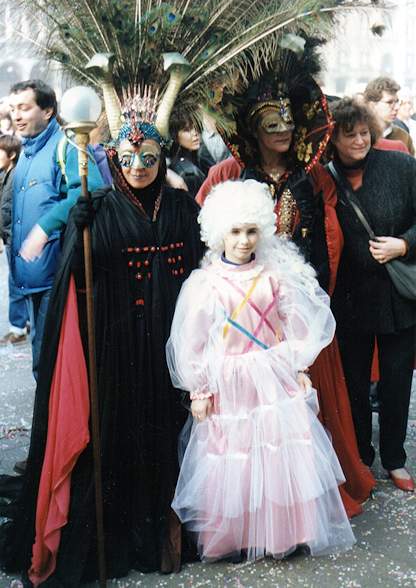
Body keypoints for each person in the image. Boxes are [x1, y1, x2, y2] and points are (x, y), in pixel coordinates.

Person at [0, 86, 204, 586]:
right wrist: (76, 231)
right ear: (114, 158)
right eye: (129, 157)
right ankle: (120, 534)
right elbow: (77, 282)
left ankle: (167, 530)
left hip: (171, 348)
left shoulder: (180, 208)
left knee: (168, 431)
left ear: (162, 157)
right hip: (115, 347)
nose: (139, 166)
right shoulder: (99, 207)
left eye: (150, 156)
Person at [196, 52, 376, 517]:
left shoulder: (311, 177)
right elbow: (210, 232)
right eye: (271, 125)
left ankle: (312, 494)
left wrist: (316, 297)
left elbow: (328, 238)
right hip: (246, 313)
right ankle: (263, 502)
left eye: (288, 123)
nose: (283, 131)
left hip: (297, 309)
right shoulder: (231, 174)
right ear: (254, 130)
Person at [167, 179, 355, 561]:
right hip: (230, 382)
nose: (243, 240)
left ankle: (283, 532)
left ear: (263, 230)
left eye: (251, 231)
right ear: (219, 233)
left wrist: (298, 366)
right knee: (234, 456)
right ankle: (237, 534)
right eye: (235, 231)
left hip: (273, 377)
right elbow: (193, 341)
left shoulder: (275, 277)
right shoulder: (206, 285)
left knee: (278, 453)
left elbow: (298, 324)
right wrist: (199, 389)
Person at [328, 97, 416, 493]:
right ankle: (362, 456)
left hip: (398, 297)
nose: (360, 141)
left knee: (397, 382)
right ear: (334, 140)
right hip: (350, 299)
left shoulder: (399, 165)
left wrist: (405, 244)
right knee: (354, 383)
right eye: (350, 136)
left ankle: (395, 457)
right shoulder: (326, 178)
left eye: (364, 133)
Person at [8, 79, 103, 382]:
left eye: (24, 108)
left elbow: (92, 189)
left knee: (50, 362)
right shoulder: (24, 152)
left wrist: (44, 227)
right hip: (31, 274)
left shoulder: (66, 145)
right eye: (13, 109)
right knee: (43, 359)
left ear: (48, 110)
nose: (17, 116)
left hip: (57, 272)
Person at [0, 134, 29, 345]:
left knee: (16, 282)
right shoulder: (5, 174)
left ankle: (18, 328)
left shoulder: (16, 175)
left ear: (11, 155)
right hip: (10, 237)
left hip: (15, 238)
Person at [363, 77, 415, 155]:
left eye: (397, 102)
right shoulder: (360, 136)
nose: (397, 107)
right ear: (372, 105)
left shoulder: (403, 136)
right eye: (390, 102)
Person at [168, 111, 206, 197]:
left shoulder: (200, 158)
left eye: (196, 127)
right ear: (175, 136)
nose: (195, 133)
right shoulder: (187, 173)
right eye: (187, 130)